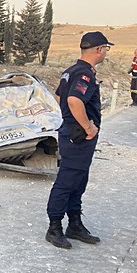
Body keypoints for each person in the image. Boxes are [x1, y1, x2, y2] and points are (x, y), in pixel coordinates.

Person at [45, 31, 112, 249]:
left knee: (78, 179)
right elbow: (73, 100)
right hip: (78, 135)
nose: (106, 53)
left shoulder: (71, 71)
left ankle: (74, 223)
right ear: (99, 49)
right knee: (67, 180)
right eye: (106, 49)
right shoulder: (84, 74)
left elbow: (59, 96)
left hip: (73, 132)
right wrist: (87, 126)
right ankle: (54, 227)